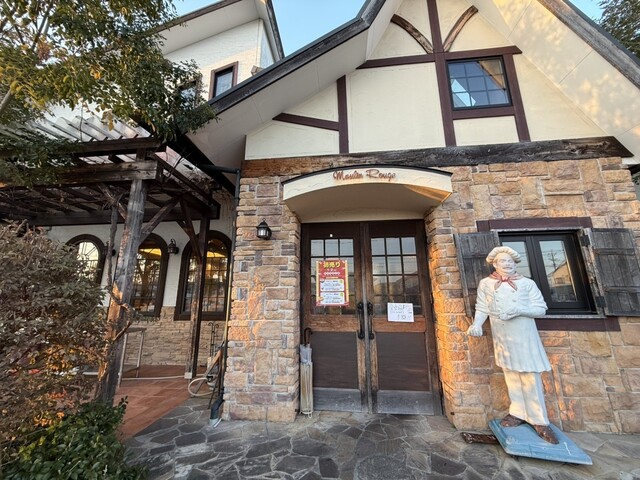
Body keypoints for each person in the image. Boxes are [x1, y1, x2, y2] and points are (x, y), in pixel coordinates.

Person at [466, 246, 558, 444]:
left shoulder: (527, 283)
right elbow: (482, 307)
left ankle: (539, 419)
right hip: (502, 334)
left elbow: (541, 308)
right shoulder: (486, 284)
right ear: (495, 264)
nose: (506, 264)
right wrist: (477, 324)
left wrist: (519, 310)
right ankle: (517, 411)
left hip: (524, 333)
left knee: (529, 374)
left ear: (515, 263)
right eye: (502, 261)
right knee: (510, 373)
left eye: (509, 261)